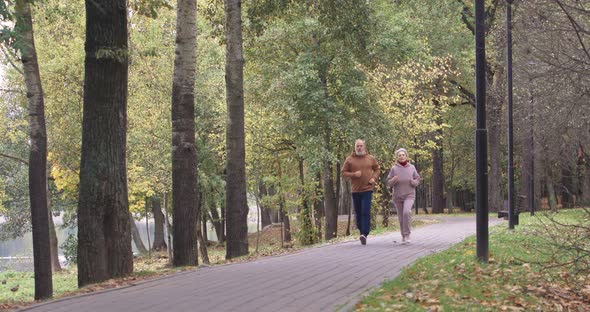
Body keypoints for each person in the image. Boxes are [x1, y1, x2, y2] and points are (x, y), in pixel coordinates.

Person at [341, 139, 381, 245]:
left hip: (367, 189)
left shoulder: (370, 158)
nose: (359, 147)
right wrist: (354, 175)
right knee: (358, 213)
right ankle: (361, 231)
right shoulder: (349, 159)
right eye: (357, 146)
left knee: (365, 212)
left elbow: (377, 169)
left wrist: (373, 178)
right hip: (355, 190)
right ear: (355, 147)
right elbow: (343, 173)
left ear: (364, 147)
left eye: (361, 146)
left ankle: (364, 234)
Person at [386, 148, 420, 244]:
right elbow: (388, 183)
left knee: (406, 212)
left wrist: (414, 182)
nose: (401, 157)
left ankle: (407, 234)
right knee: (401, 217)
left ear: (406, 156)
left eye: (403, 155)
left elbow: (417, 179)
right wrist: (393, 180)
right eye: (399, 155)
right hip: (397, 196)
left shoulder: (412, 167)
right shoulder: (394, 169)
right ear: (397, 157)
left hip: (409, 194)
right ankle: (403, 236)